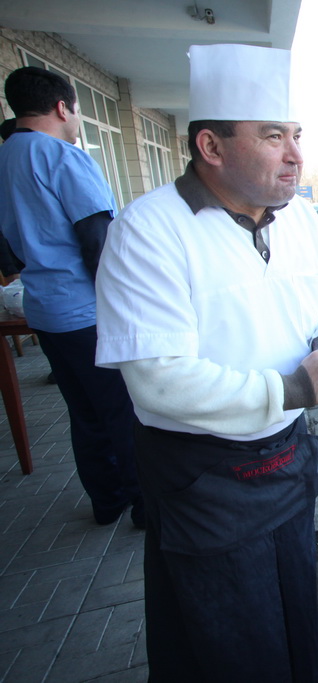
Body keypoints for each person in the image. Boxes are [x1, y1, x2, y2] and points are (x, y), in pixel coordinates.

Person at [94, 44, 318, 683]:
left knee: (297, 582)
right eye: (273, 137)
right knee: (229, 631)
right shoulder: (149, 230)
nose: (296, 155)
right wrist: (298, 385)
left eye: (296, 135)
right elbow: (159, 382)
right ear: (211, 147)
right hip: (204, 475)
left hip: (288, 454)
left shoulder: (298, 218)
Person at [0, 67, 142, 528]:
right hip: (87, 311)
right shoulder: (60, 155)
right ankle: (146, 507)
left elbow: (7, 250)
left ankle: (107, 501)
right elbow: (98, 240)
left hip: (44, 309)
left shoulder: (6, 157)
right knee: (124, 409)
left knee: (84, 412)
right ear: (64, 107)